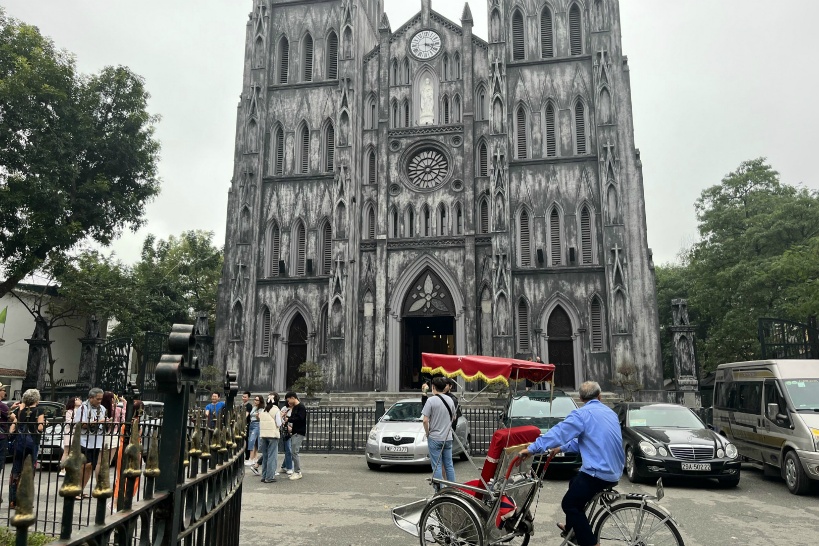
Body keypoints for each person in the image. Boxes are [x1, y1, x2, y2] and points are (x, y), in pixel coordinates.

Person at [517, 381, 624, 546]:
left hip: (598, 473)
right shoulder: (610, 413)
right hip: (615, 471)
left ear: (581, 398)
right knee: (574, 482)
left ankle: (590, 543)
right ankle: (572, 527)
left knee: (569, 504)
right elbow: (586, 441)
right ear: (600, 396)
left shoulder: (582, 414)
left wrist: (533, 448)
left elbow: (559, 432)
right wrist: (560, 448)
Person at [8, 389, 45, 509]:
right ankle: (24, 499)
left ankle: (13, 500)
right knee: (28, 471)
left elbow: (12, 419)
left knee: (16, 470)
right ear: (36, 399)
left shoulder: (21, 410)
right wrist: (44, 423)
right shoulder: (39, 410)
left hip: (19, 443)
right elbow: (39, 428)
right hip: (32, 443)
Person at [421, 376, 457, 489]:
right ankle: (452, 489)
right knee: (449, 465)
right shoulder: (450, 400)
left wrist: (428, 433)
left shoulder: (431, 400)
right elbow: (454, 418)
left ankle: (439, 490)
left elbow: (425, 420)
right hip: (448, 437)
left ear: (433, 387)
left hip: (435, 437)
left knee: (436, 466)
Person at [74, 387, 108, 497]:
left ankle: (81, 489)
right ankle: (76, 490)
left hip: (96, 441)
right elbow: (80, 424)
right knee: (83, 466)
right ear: (90, 398)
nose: (99, 401)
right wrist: (98, 422)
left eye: (101, 399)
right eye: (97, 399)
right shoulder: (83, 408)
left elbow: (104, 423)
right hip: (84, 441)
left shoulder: (102, 408)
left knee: (90, 466)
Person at [254, 394, 282, 482]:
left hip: (264, 434)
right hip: (273, 435)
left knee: (265, 456)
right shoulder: (276, 410)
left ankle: (264, 475)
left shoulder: (264, 410)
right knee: (272, 456)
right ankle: (269, 477)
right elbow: (279, 423)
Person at [58, 396, 82, 477]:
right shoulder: (69, 411)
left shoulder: (82, 410)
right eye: (77, 399)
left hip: (77, 434)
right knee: (66, 452)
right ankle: (63, 469)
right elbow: (69, 421)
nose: (79, 400)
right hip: (70, 433)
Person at [284, 392, 306, 480]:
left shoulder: (301, 407)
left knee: (294, 452)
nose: (288, 402)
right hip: (295, 431)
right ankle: (296, 471)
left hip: (299, 432)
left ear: (293, 398)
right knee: (293, 451)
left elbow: (300, 418)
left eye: (289, 400)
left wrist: (288, 419)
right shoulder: (295, 407)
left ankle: (297, 471)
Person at [245, 395, 263, 466]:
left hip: (257, 424)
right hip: (252, 424)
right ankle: (254, 458)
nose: (255, 401)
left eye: (257, 400)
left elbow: (260, 418)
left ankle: (251, 458)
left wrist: (258, 416)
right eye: (255, 399)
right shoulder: (254, 407)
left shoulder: (261, 409)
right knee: (254, 441)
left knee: (252, 441)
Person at [278, 403, 293, 476]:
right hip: (286, 431)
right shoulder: (284, 408)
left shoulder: (297, 408)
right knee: (288, 449)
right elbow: (280, 419)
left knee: (292, 450)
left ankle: (284, 466)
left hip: (295, 430)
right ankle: (289, 467)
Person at [241, 391, 252, 460]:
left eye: (245, 397)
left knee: (246, 440)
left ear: (248, 398)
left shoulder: (249, 405)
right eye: (243, 397)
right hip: (241, 425)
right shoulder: (241, 405)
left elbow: (246, 415)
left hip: (247, 424)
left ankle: (247, 457)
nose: (243, 398)